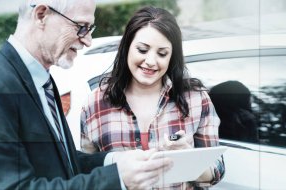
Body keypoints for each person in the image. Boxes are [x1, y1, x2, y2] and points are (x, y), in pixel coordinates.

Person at [0, 1, 172, 189]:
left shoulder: (42, 80)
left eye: (89, 29)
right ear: (41, 15)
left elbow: (63, 163)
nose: (87, 40)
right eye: (81, 26)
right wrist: (117, 179)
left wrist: (117, 161)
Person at [80, 6, 225, 189]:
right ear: (127, 48)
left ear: (172, 56)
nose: (150, 61)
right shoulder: (95, 104)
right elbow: (85, 172)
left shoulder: (196, 99)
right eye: (142, 50)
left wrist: (187, 156)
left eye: (162, 53)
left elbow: (217, 170)